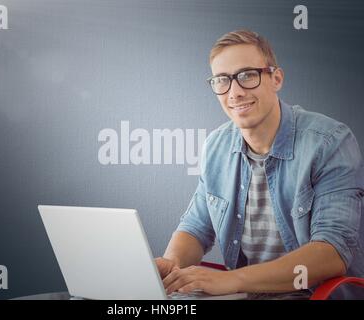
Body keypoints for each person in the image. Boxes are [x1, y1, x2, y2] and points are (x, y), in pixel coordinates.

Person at [155, 29, 364, 299]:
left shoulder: (329, 142)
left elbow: (333, 251)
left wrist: (232, 280)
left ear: (276, 78)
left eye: (247, 76)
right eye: (222, 80)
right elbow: (196, 227)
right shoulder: (216, 145)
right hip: (244, 294)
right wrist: (171, 265)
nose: (236, 92)